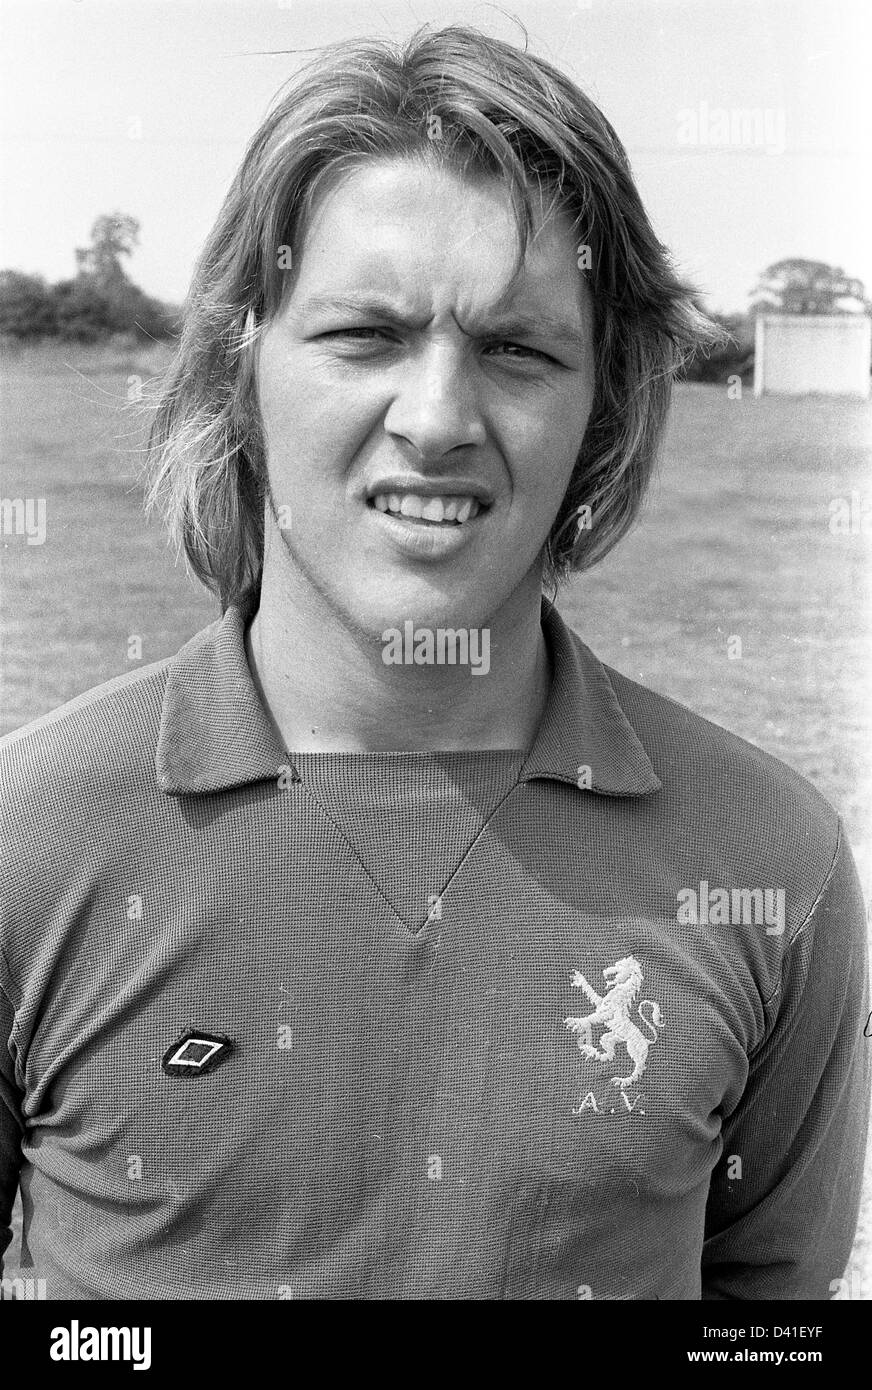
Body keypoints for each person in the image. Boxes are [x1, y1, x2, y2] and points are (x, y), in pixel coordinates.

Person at [1, 25, 868, 1301]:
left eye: (517, 350)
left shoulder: (765, 866)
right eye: (364, 335)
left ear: (605, 408)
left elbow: (766, 1307)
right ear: (240, 371)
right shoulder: (30, 841)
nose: (437, 418)